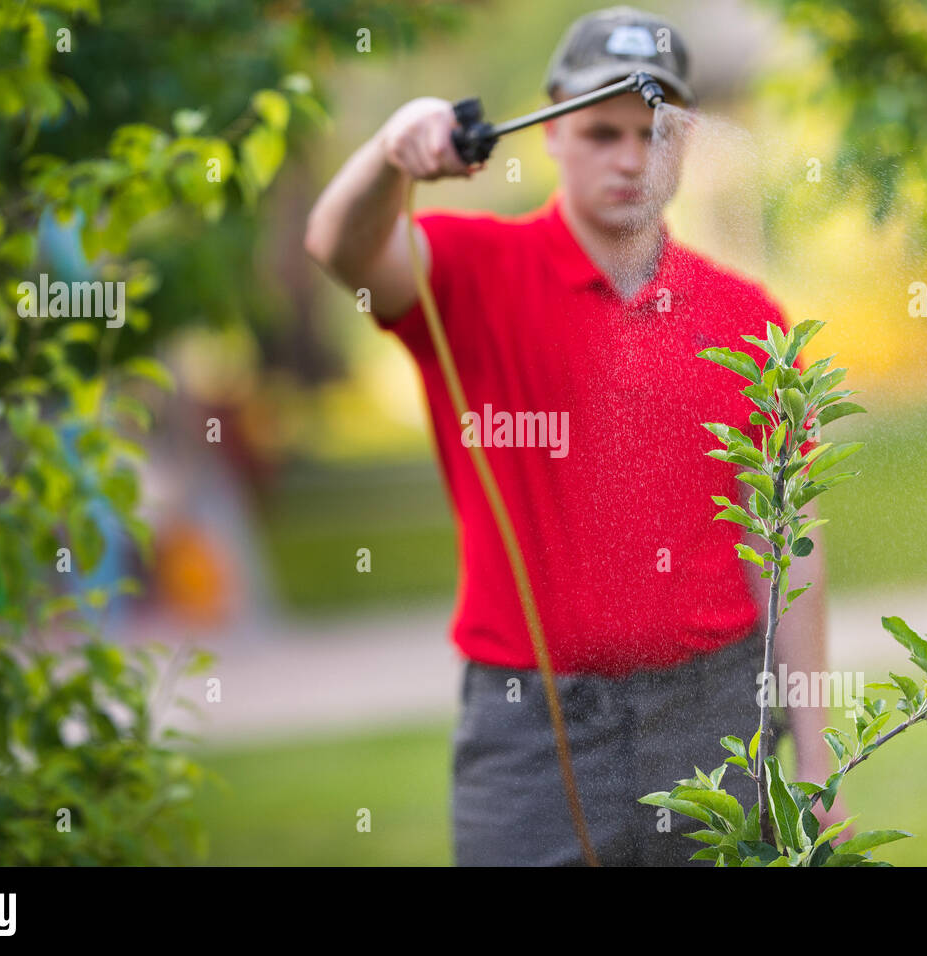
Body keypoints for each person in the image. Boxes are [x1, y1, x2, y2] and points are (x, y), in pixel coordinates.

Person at [304, 5, 850, 865]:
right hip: (532, 729)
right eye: (602, 131)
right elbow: (335, 245)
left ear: (689, 135)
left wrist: (816, 753)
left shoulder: (750, 320)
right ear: (553, 124)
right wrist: (389, 151)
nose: (632, 158)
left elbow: (789, 544)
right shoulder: (470, 272)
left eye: (655, 131)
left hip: (715, 715)